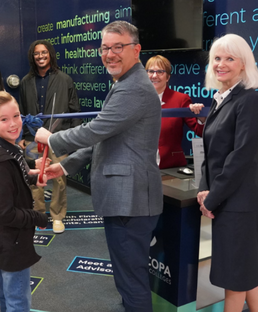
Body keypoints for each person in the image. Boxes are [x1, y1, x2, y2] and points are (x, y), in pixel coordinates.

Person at [35, 21, 163, 311]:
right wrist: (66, 166)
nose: (110, 54)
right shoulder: (125, 84)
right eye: (105, 48)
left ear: (136, 49)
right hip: (125, 200)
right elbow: (105, 139)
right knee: (126, 277)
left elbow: (95, 130)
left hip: (131, 201)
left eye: (119, 47)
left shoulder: (134, 88)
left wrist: (52, 138)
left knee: (132, 281)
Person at [196, 34, 258, 312]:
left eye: (229, 58)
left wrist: (211, 198)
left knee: (235, 278)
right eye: (216, 58)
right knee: (244, 268)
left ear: (243, 65)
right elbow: (210, 152)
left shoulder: (249, 100)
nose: (221, 64)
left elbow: (240, 158)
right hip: (227, 200)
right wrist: (204, 189)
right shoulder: (220, 99)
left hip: (240, 204)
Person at [0, 91, 48, 312]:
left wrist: (33, 177)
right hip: (10, 241)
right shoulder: (0, 162)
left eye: (16, 116)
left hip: (3, 239)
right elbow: (5, 212)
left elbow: (11, 184)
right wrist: (38, 217)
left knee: (9, 293)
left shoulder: (3, 147)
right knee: (17, 300)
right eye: (4, 119)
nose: (14, 124)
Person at [19, 39, 81, 234]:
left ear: (50, 54)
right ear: (32, 57)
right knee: (35, 178)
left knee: (60, 180)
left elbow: (74, 110)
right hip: (32, 137)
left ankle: (57, 217)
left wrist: (72, 139)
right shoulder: (25, 81)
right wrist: (21, 134)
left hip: (58, 138)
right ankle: (39, 215)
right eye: (37, 53)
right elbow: (21, 111)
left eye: (44, 52)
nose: (40, 56)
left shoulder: (65, 79)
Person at [145, 55, 205, 169]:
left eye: (160, 72)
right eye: (151, 71)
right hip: (141, 167)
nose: (154, 76)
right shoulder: (136, 99)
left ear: (167, 77)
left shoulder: (180, 99)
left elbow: (200, 131)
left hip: (171, 167)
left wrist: (201, 119)